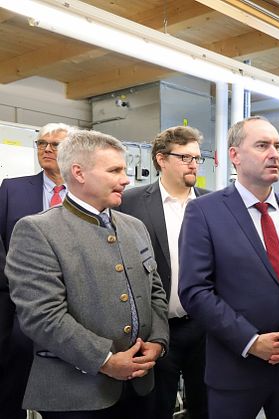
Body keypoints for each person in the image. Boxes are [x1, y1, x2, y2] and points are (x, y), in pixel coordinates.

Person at [5, 129, 169, 418]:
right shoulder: (38, 231)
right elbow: (42, 315)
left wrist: (158, 341)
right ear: (79, 173)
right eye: (115, 170)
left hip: (140, 386)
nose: (126, 179)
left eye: (125, 169)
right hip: (76, 395)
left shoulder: (134, 227)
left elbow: (154, 290)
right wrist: (105, 360)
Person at [178, 116, 279, 419]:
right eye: (262, 145)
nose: (274, 153)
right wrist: (251, 341)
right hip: (236, 369)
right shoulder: (204, 212)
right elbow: (195, 290)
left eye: (277, 146)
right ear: (235, 156)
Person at [118, 126, 209, 419]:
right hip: (156, 329)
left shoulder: (214, 204)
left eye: (197, 157)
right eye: (184, 157)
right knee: (155, 407)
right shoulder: (130, 202)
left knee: (207, 405)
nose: (193, 164)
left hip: (206, 327)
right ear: (161, 159)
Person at [0, 122, 72, 419]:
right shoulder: (12, 189)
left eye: (55, 144)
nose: (47, 149)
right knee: (11, 388)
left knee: (64, 393)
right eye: (42, 143)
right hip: (16, 307)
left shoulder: (85, 192)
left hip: (69, 307)